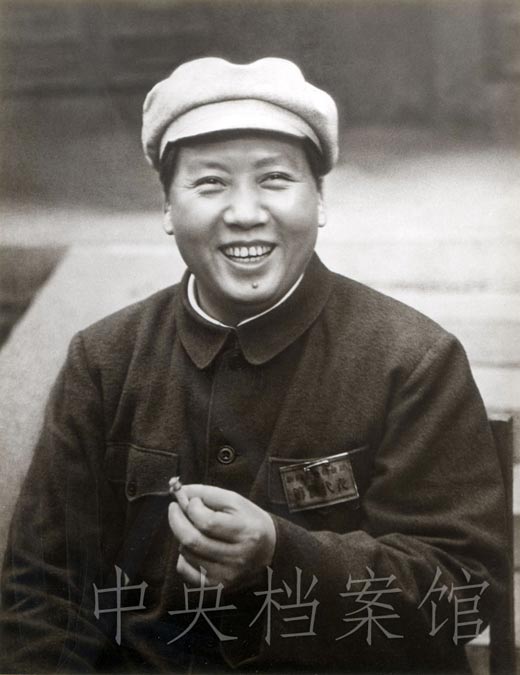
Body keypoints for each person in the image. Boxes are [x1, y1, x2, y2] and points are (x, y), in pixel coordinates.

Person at [0, 57, 507, 674]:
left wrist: (282, 555)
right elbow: (44, 594)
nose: (245, 212)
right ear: (167, 208)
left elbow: (461, 593)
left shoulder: (412, 360)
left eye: (274, 179)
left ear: (320, 199)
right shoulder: (105, 360)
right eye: (210, 183)